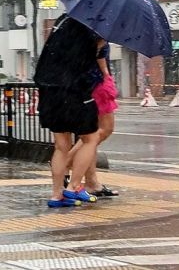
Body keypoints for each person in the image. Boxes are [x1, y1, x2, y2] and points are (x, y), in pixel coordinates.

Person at [34, 13, 102, 208]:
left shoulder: (62, 20)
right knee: (91, 138)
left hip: (50, 90)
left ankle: (56, 195)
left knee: (61, 145)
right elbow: (84, 62)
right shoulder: (91, 26)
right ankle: (72, 187)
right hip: (75, 91)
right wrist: (98, 45)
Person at [64, 40, 119, 197]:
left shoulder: (82, 29)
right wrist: (107, 75)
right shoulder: (97, 31)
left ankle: (91, 181)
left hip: (85, 84)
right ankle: (67, 161)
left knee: (92, 132)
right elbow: (98, 58)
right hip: (97, 84)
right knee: (103, 130)